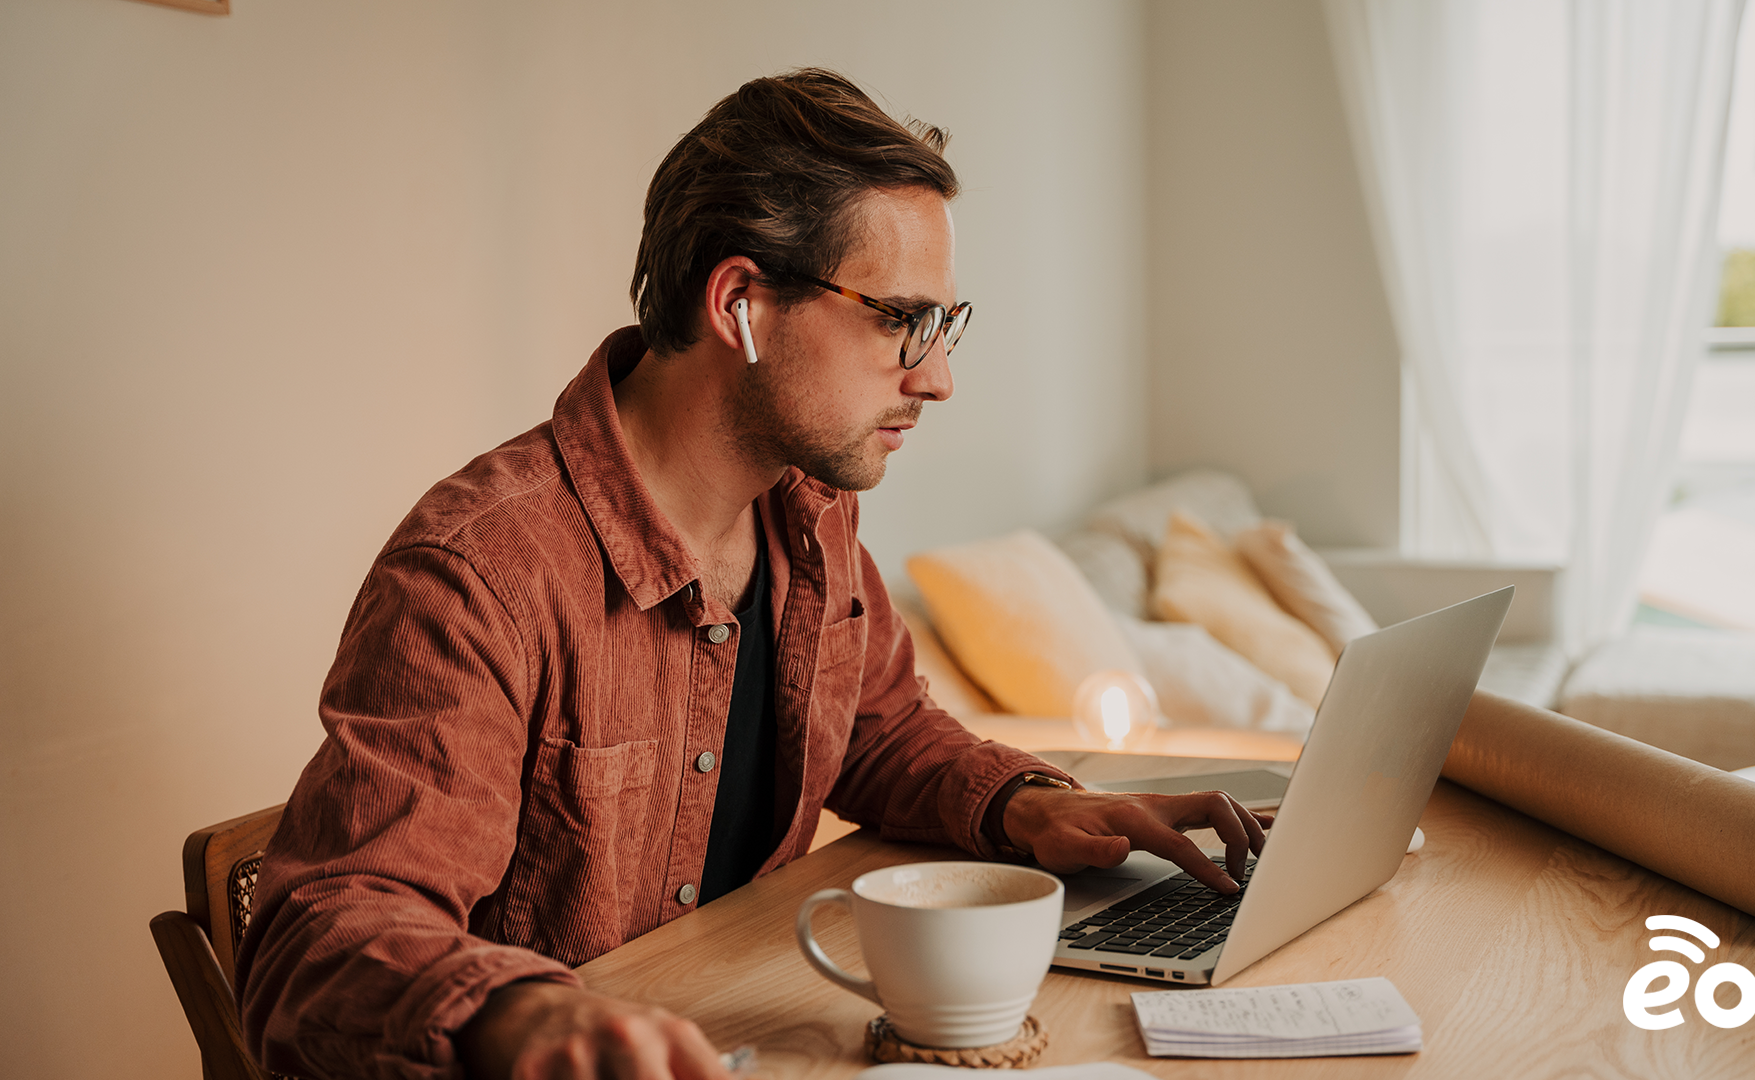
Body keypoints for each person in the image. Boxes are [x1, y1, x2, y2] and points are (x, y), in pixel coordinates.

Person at [237, 69, 1269, 1080]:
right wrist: (525, 1019)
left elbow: (880, 730)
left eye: (945, 325)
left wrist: (1027, 805)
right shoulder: (481, 575)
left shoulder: (809, 510)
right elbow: (320, 933)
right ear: (741, 303)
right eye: (901, 320)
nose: (939, 378)